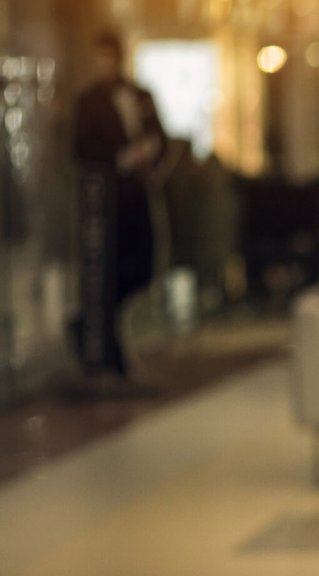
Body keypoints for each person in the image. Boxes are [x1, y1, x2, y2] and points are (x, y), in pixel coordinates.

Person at [72, 29, 166, 382]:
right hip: (107, 201)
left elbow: (161, 135)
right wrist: (119, 160)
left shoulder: (140, 95)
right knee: (108, 272)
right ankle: (103, 342)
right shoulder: (89, 102)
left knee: (143, 264)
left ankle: (104, 328)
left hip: (138, 195)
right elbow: (81, 150)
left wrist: (149, 157)